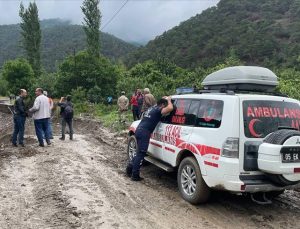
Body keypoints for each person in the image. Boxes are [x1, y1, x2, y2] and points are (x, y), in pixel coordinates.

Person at [126, 96, 173, 181]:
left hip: (139, 130)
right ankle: (135, 175)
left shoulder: (152, 108)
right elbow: (170, 108)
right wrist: (169, 100)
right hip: (144, 132)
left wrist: (164, 99)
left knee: (138, 152)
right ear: (162, 105)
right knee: (141, 154)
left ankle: (129, 169)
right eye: (164, 106)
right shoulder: (158, 109)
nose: (164, 109)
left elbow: (160, 104)